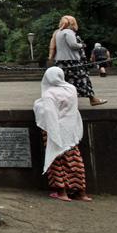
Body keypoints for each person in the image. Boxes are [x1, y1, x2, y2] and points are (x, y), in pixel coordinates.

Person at [33, 67, 92, 202]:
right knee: (75, 160)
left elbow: (50, 114)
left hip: (56, 129)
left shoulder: (49, 93)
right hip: (71, 129)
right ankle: (81, 193)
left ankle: (62, 192)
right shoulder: (71, 89)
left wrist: (54, 135)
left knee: (56, 160)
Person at [48, 15, 106, 106]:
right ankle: (93, 99)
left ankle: (61, 101)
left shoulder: (58, 33)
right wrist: (81, 45)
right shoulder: (69, 32)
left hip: (60, 62)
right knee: (83, 79)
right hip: (72, 61)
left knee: (63, 82)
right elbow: (73, 45)